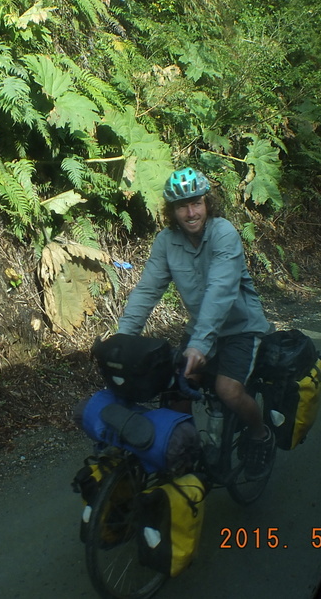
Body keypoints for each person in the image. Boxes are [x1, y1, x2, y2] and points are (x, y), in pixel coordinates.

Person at [116, 167, 276, 477]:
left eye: (196, 203)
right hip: (201, 328)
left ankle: (260, 435)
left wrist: (200, 345)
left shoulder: (224, 233)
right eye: (182, 206)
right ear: (172, 211)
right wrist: (123, 339)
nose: (191, 213)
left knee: (228, 390)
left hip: (241, 328)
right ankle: (183, 452)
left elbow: (220, 290)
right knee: (176, 389)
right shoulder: (166, 241)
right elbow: (147, 291)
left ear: (207, 203)